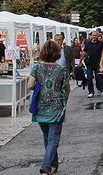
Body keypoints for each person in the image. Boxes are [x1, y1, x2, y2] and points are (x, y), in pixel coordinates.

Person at [27, 40, 70, 174]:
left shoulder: (36, 67)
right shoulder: (62, 69)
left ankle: (53, 165)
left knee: (47, 137)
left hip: (40, 107)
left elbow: (29, 86)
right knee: (53, 138)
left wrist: (40, 85)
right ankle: (46, 165)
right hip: (57, 107)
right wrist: (65, 99)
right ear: (57, 53)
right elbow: (67, 88)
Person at [83, 31, 103, 98]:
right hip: (89, 62)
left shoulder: (100, 43)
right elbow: (85, 52)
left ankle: (99, 88)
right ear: (91, 36)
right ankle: (91, 92)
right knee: (89, 77)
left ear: (98, 36)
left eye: (95, 35)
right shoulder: (88, 43)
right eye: (93, 35)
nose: (94, 36)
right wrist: (81, 60)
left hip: (97, 62)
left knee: (98, 77)